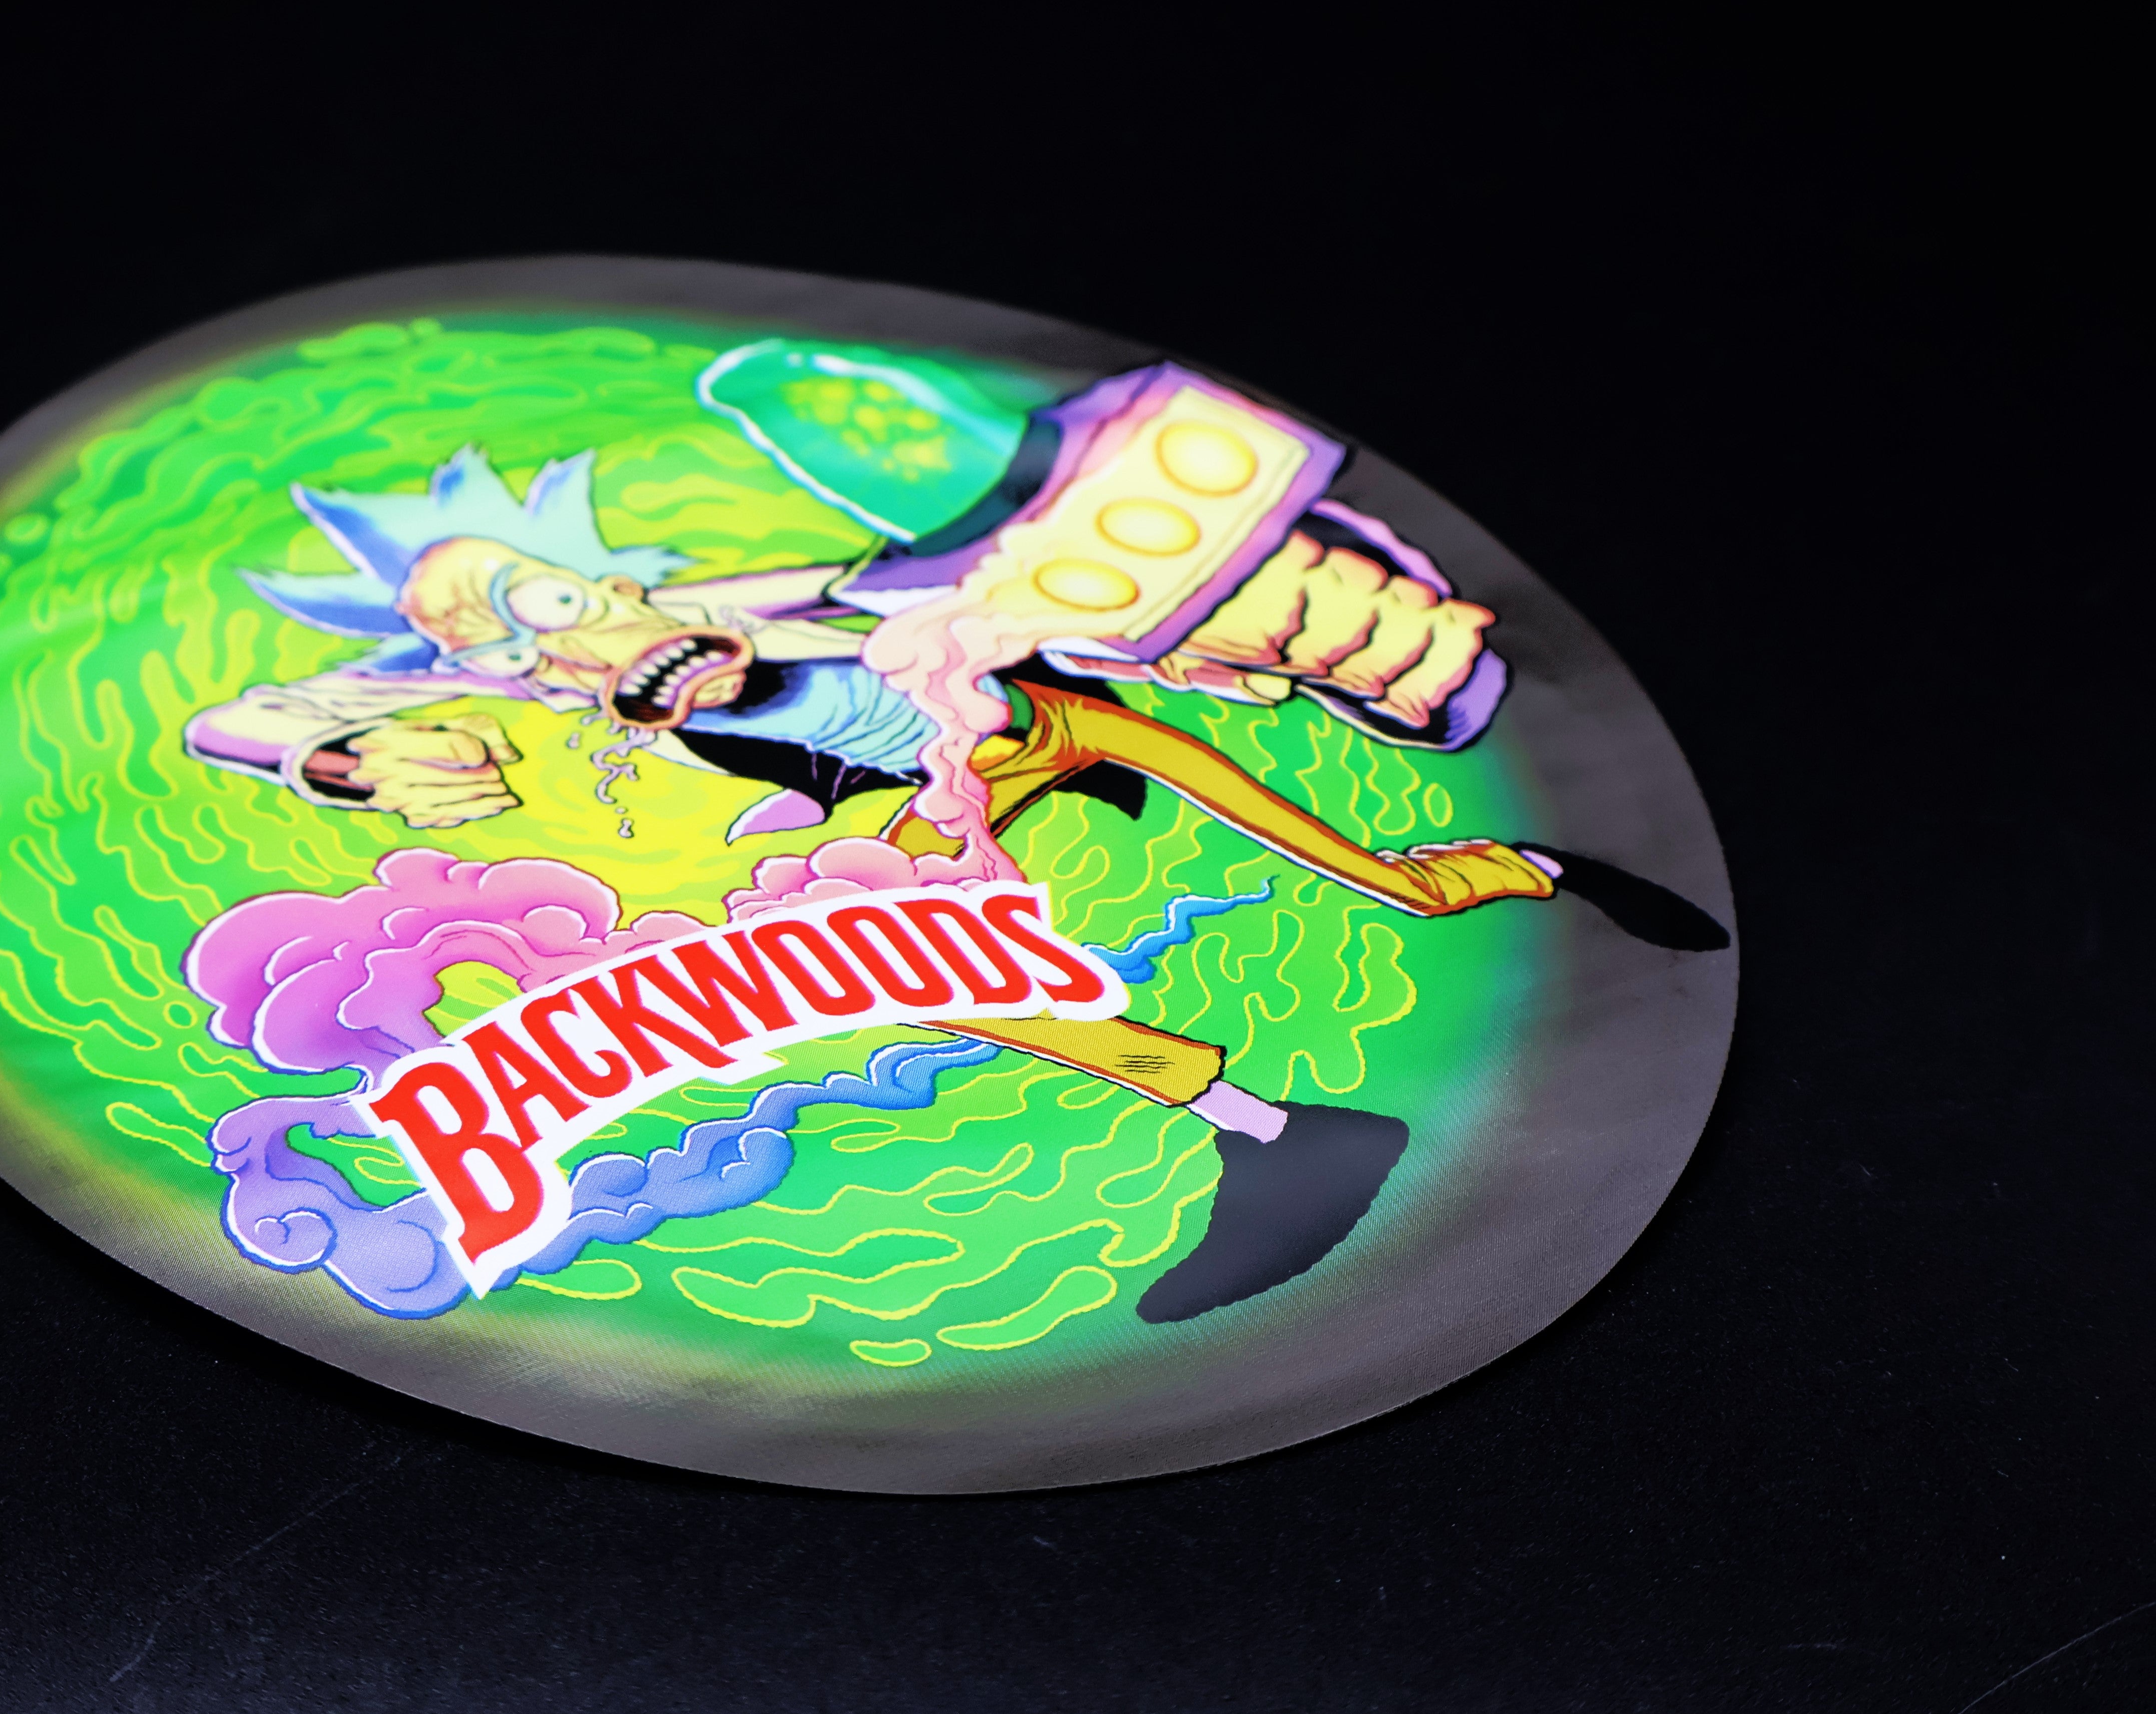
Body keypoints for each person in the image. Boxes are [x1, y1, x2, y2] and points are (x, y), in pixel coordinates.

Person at [185, 345, 1714, 1320]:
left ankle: (1536, 870)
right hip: (940, 805)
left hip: (1041, 722)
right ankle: (1273, 1134)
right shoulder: (559, 695)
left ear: (608, 579)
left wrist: (1204, 589)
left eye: (549, 603)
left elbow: (1017, 546)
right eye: (505, 649)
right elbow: (232, 724)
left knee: (1379, 884)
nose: (559, 651)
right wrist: (333, 758)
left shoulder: (769, 591)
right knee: (948, 974)